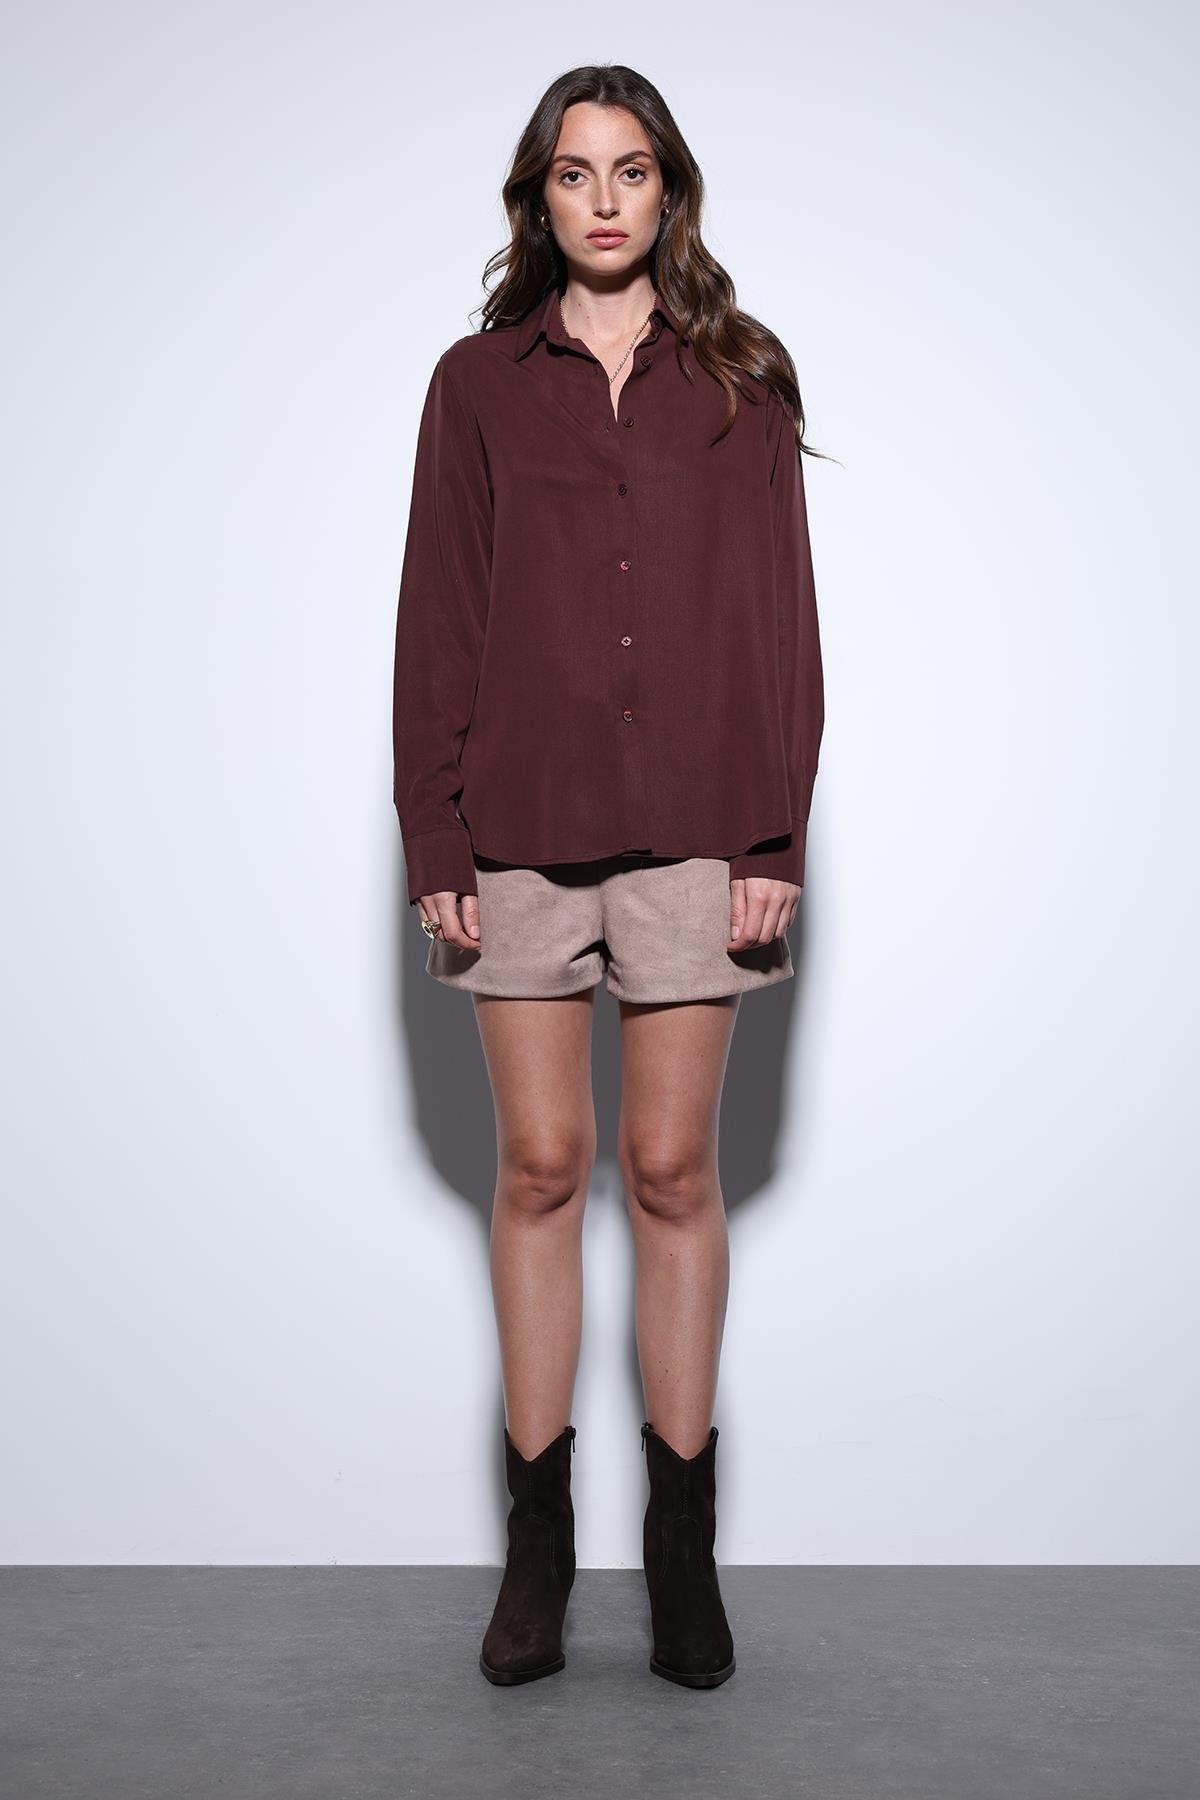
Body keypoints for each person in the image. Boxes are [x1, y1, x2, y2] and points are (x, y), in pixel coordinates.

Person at [391, 63, 826, 1689]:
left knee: (668, 1170)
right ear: (539, 197)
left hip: (702, 825)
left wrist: (775, 836)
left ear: (669, 191)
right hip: (515, 829)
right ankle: (538, 1552)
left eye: (630, 170)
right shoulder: (477, 386)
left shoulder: (743, 380)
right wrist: (434, 831)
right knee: (538, 1168)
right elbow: (438, 611)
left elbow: (783, 619)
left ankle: (682, 1552)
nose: (603, 200)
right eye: (573, 173)